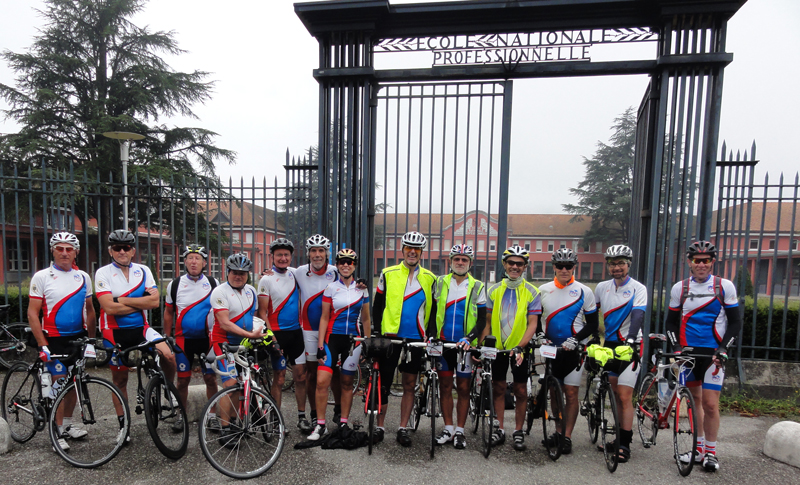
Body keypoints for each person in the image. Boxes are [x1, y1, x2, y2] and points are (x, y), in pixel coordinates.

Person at [96, 229, 177, 443]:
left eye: (126, 248)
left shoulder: (143, 270)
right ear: (110, 250)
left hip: (142, 328)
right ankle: (124, 427)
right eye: (117, 248)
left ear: (133, 251)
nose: (122, 251)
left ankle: (167, 389)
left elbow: (154, 302)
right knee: (120, 379)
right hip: (113, 332)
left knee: (169, 356)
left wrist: (120, 300)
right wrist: (137, 301)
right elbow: (108, 309)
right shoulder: (103, 273)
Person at [666, 241, 740, 472]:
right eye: (697, 260)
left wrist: (724, 349)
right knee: (694, 402)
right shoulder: (680, 288)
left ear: (712, 262)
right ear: (690, 262)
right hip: (688, 353)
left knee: (710, 404)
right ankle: (698, 450)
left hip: (713, 354)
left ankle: (711, 453)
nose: (701, 264)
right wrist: (676, 347)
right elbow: (670, 322)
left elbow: (735, 322)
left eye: (706, 260)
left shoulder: (723, 286)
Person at [27, 232, 97, 451]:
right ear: (52, 250)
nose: (64, 253)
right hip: (53, 339)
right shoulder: (42, 277)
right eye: (60, 248)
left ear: (76, 252)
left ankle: (66, 425)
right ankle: (56, 431)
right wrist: (42, 344)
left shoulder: (83, 277)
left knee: (74, 383)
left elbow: (91, 311)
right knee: (58, 385)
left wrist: (91, 342)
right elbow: (32, 313)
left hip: (76, 338)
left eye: (69, 249)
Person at [372, 231, 437, 446]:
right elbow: (378, 305)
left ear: (421, 252)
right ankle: (379, 426)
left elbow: (433, 310)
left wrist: (431, 335)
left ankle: (402, 428)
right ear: (402, 250)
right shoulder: (387, 273)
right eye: (408, 248)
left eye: (416, 249)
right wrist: (378, 333)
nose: (412, 252)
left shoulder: (429, 278)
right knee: (384, 382)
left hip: (416, 337)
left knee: (409, 384)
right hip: (390, 337)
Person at [538, 247, 598, 455]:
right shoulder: (543, 289)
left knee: (571, 393)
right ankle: (557, 430)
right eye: (560, 266)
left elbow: (592, 324)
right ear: (554, 267)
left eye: (569, 266)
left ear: (574, 267)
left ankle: (567, 436)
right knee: (554, 391)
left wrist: (576, 339)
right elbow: (536, 319)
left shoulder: (584, 291)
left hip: (574, 350)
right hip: (551, 348)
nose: (564, 269)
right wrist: (540, 336)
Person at [481, 245, 541, 451]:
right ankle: (499, 428)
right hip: (497, 348)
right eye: (511, 263)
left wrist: (520, 345)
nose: (515, 267)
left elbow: (533, 323)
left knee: (521, 390)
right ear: (505, 265)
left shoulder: (532, 291)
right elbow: (487, 322)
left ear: (525, 267)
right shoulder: (494, 290)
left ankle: (518, 431)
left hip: (520, 349)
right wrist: (482, 346)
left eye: (519, 264)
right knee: (498, 388)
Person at [310, 248, 371, 440]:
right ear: (336, 265)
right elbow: (324, 318)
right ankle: (320, 425)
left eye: (350, 262)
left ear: (354, 265)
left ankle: (343, 422)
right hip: (331, 339)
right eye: (342, 262)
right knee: (322, 382)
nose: (346, 265)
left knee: (346, 383)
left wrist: (366, 343)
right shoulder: (331, 288)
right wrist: (320, 346)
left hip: (353, 342)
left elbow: (367, 320)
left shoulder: (362, 288)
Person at [593, 244, 647, 463]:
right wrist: (595, 337)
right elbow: (592, 314)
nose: (617, 267)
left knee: (624, 395)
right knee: (614, 394)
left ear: (629, 264)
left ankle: (624, 444)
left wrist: (632, 339)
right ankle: (617, 437)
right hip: (610, 345)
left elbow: (638, 315)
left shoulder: (638, 288)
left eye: (621, 263)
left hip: (631, 345)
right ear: (608, 265)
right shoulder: (601, 287)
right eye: (613, 263)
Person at [432, 244, 487, 450]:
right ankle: (448, 428)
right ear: (450, 261)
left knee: (463, 388)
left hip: (465, 345)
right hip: (444, 343)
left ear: (470, 263)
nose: (460, 262)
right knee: (445, 386)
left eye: (465, 260)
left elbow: (482, 320)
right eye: (457, 259)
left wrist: (470, 338)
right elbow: (432, 312)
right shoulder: (440, 282)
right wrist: (431, 335)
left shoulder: (477, 286)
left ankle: (460, 431)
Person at [209, 253, 264, 447]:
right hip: (223, 343)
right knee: (230, 384)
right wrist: (250, 335)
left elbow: (253, 317)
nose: (238, 276)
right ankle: (224, 430)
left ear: (248, 274)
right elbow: (224, 323)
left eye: (242, 273)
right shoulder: (220, 292)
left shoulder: (251, 291)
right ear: (228, 272)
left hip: (242, 345)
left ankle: (233, 424)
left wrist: (261, 336)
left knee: (242, 383)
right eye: (234, 272)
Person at [163, 244, 219, 432]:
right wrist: (166, 337)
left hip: (207, 340)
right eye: (190, 258)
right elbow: (169, 312)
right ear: (185, 261)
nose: (193, 262)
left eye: (198, 258)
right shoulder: (176, 284)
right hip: (183, 340)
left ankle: (212, 416)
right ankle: (181, 414)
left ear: (204, 262)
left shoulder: (213, 283)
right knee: (182, 381)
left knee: (210, 379)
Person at [256, 238, 310, 432]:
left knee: (300, 376)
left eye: (286, 254)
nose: (283, 258)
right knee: (279, 378)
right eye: (279, 254)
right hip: (276, 334)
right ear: (272, 256)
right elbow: (262, 312)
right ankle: (275, 419)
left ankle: (302, 417)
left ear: (291, 256)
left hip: (295, 334)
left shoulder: (295, 274)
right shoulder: (266, 279)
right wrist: (271, 337)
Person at [295, 234, 339, 430]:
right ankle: (314, 415)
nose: (317, 254)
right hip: (310, 331)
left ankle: (338, 411)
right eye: (313, 251)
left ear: (327, 253)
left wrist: (362, 282)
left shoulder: (336, 272)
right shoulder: (299, 272)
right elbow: (280, 272)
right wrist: (268, 273)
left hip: (332, 330)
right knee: (312, 374)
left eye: (321, 250)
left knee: (335, 372)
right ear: (308, 253)